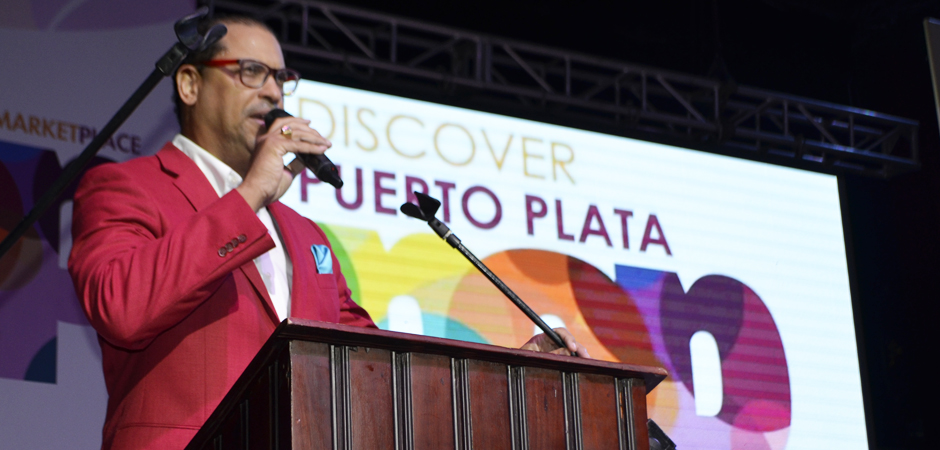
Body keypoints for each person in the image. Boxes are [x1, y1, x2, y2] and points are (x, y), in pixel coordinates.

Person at [68, 14, 587, 450]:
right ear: (189, 84)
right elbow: (121, 306)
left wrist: (512, 367)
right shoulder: (125, 186)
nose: (272, 91)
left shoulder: (306, 235)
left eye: (280, 78)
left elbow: (377, 365)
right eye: (251, 72)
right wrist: (251, 195)